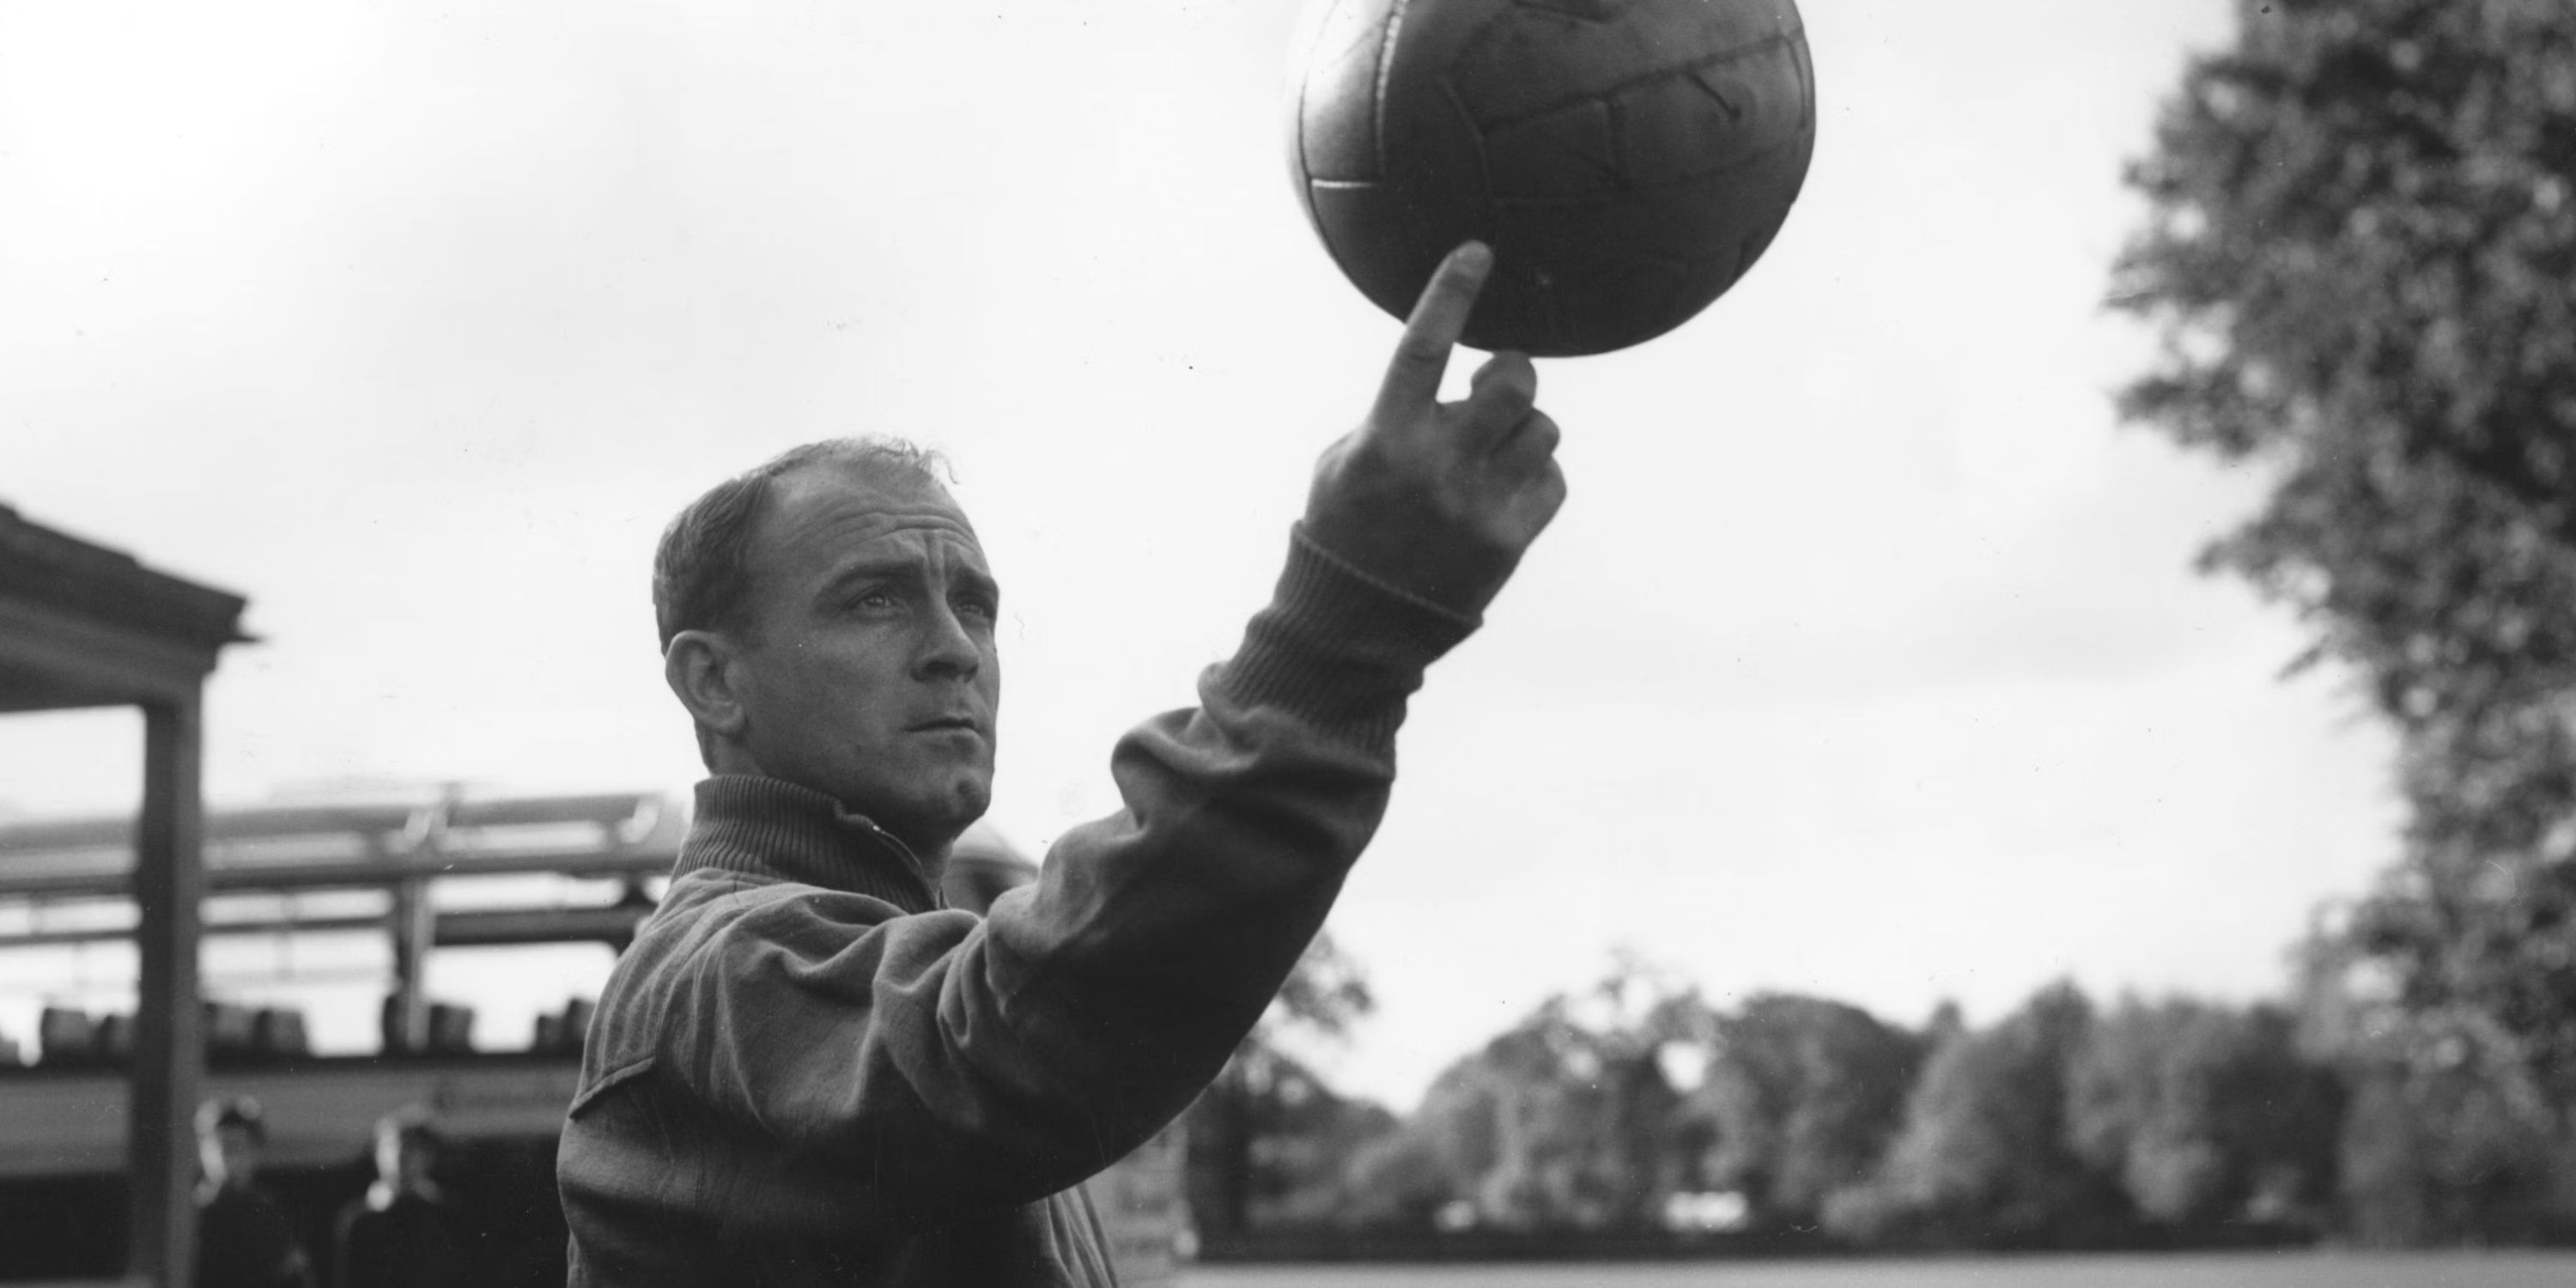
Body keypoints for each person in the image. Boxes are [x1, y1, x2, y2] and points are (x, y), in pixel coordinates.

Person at [556, 242, 1565, 1285]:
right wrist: (1345, 617)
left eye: (976, 605)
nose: (955, 647)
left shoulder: (886, 964)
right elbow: (992, 1046)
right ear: (714, 683)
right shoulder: (710, 976)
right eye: (875, 597)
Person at [331, 1112, 470, 1288]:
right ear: (377, 1153)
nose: (400, 1154)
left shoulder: (447, 1215)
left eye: (410, 1146)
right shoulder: (359, 1219)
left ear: (428, 1155)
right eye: (390, 1145)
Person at [194, 1097, 317, 1288]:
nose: (229, 1157)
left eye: (237, 1146)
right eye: (221, 1146)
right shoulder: (188, 1215)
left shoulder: (270, 1212)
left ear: (255, 1151)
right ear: (202, 1150)